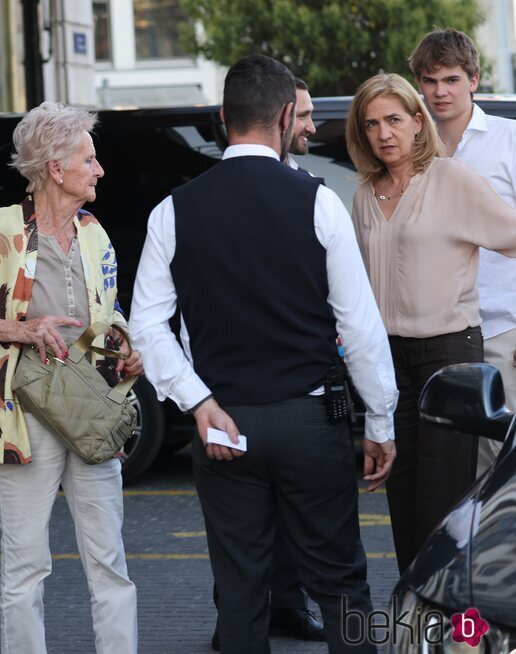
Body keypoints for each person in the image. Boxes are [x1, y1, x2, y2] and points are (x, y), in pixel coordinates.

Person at [130, 55, 399, 653]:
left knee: (241, 589)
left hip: (223, 423)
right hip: (309, 421)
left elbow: (147, 326)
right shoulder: (318, 202)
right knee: (340, 582)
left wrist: (197, 401)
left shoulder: (174, 211)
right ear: (285, 116)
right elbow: (357, 325)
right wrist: (380, 418)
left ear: (225, 117)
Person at [0, 101, 140, 654]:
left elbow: (106, 319)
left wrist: (125, 354)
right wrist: (22, 331)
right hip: (19, 414)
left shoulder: (94, 234)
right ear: (55, 168)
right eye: (88, 160)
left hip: (87, 409)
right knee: (25, 564)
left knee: (108, 558)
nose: (99, 170)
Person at [345, 72, 516, 574]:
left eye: (395, 119)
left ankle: (459, 634)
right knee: (403, 503)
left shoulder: (451, 179)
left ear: (419, 123)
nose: (384, 133)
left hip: (450, 357)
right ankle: (415, 630)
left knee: (445, 508)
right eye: (372, 123)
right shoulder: (364, 196)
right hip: (388, 363)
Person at [209, 76, 327, 652]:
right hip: (269, 400)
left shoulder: (313, 189)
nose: (311, 126)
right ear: (282, 117)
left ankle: (280, 608)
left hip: (243, 403)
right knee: (258, 539)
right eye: (302, 115)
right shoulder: (312, 199)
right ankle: (243, 618)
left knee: (256, 532)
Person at [409, 28, 516, 476]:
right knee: (456, 472)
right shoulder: (411, 148)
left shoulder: (509, 139)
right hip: (441, 334)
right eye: (430, 81)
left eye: (450, 79)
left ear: (473, 80)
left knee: (503, 465)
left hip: (503, 329)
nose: (439, 91)